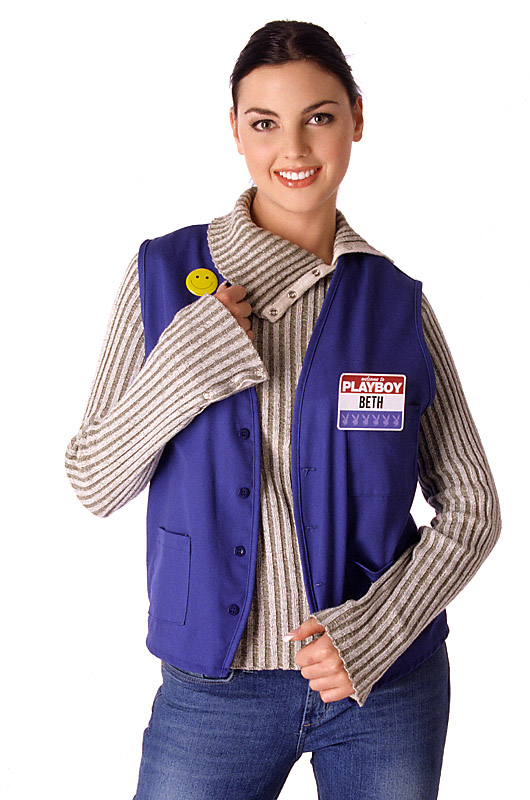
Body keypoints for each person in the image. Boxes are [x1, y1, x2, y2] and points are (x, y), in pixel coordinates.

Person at [65, 19, 501, 800]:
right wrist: (188, 362)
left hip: (384, 688)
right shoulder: (162, 277)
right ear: (235, 130)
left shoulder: (395, 303)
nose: (293, 148)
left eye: (319, 117)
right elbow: (93, 481)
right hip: (214, 690)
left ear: (356, 120)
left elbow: (473, 506)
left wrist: (377, 630)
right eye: (265, 123)